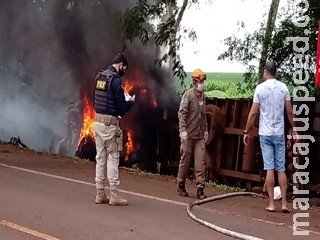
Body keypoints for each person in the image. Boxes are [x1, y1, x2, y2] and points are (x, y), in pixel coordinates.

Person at [243, 61, 296, 213]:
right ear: (276, 72)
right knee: (281, 168)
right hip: (279, 133)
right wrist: (294, 129)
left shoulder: (260, 88)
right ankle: (285, 203)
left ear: (266, 72)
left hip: (265, 133)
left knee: (269, 168)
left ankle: (272, 204)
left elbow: (253, 113)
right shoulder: (283, 88)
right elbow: (290, 112)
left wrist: (246, 131)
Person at [93, 53, 135, 206]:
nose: (124, 70)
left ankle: (99, 194)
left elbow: (94, 102)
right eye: (124, 67)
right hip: (110, 126)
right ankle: (114, 195)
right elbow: (121, 108)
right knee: (113, 158)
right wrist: (130, 103)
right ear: (121, 64)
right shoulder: (115, 81)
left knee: (100, 159)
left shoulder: (100, 77)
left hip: (97, 123)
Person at [177, 68, 208, 199]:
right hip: (188, 135)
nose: (202, 83)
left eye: (203, 81)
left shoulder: (203, 96)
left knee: (200, 162)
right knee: (185, 161)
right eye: (200, 81)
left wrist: (206, 129)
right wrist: (183, 131)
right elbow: (182, 114)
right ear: (195, 82)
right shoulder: (188, 96)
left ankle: (200, 188)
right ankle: (181, 184)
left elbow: (203, 115)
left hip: (199, 135)